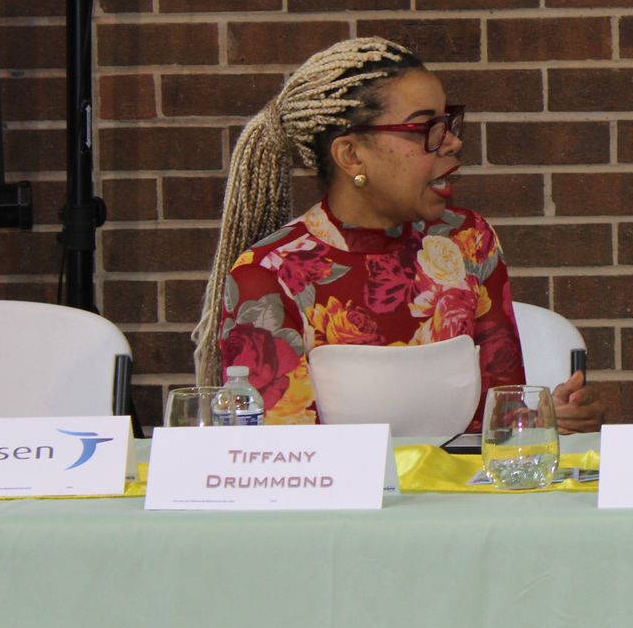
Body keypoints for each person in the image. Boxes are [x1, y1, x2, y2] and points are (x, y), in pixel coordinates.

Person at [192, 36, 600, 432]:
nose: (453, 142)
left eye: (449, 122)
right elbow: (286, 461)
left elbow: (499, 423)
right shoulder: (269, 274)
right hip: (339, 501)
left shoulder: (466, 241)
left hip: (465, 498)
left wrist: (550, 421)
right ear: (351, 155)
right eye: (426, 128)